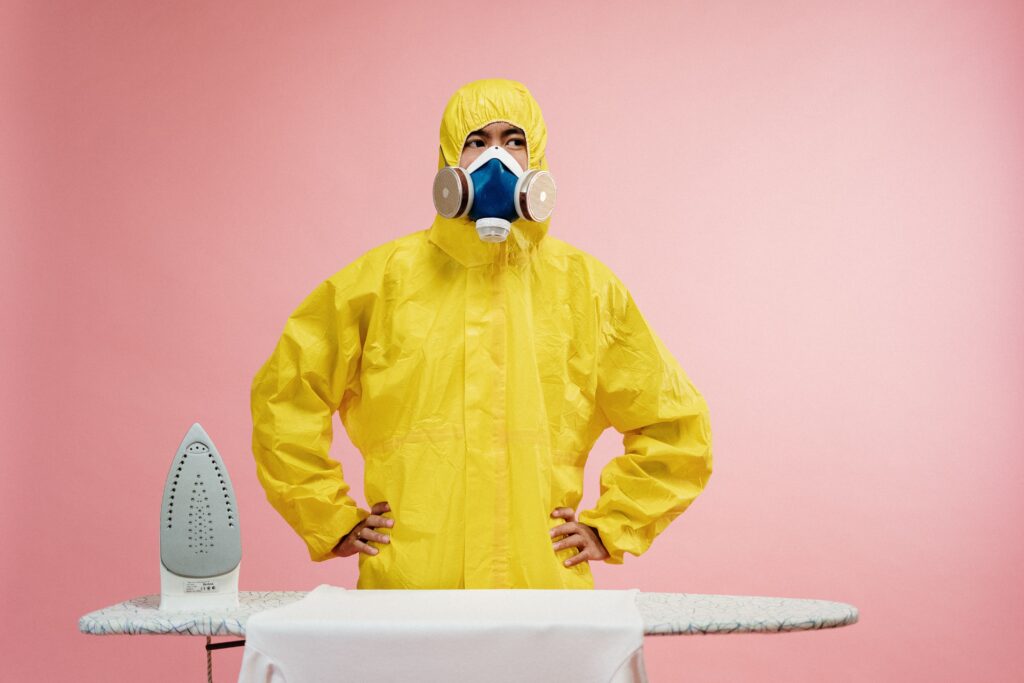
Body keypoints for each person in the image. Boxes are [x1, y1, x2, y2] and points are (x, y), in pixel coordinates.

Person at [250, 78, 713, 589]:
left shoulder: (587, 288)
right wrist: (329, 518)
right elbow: (286, 395)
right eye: (478, 141)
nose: (497, 158)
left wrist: (613, 526)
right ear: (449, 159)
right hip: (411, 586)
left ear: (537, 160)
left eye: (515, 141)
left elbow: (675, 427)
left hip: (541, 586)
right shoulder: (380, 283)